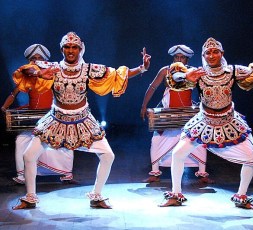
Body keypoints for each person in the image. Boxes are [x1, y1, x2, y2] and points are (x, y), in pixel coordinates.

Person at [12, 32, 151, 210]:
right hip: (56, 120)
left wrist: (142, 68)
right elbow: (25, 70)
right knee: (28, 155)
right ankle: (30, 196)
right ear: (62, 49)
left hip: (83, 120)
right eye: (67, 47)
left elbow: (116, 75)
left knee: (108, 155)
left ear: (80, 49)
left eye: (74, 47)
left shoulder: (89, 70)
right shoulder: (52, 68)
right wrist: (39, 72)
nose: (70, 51)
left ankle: (97, 195)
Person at [159, 38, 253, 209]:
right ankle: (176, 194)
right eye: (208, 52)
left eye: (215, 51)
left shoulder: (232, 71)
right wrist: (186, 75)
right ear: (203, 55)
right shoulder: (198, 73)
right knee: (178, 154)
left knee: (250, 158)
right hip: (204, 122)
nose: (212, 55)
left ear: (222, 53)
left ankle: (241, 196)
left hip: (229, 123)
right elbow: (174, 76)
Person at [1, 44, 75, 185]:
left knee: (64, 142)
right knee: (21, 140)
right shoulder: (27, 75)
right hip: (33, 118)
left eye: (39, 58)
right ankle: (23, 175)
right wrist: (4, 107)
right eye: (33, 58)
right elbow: (14, 92)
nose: (36, 60)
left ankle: (66, 174)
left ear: (45, 60)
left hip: (51, 116)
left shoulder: (54, 75)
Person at [141, 45, 213, 184]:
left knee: (198, 143)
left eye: (182, 57)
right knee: (156, 141)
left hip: (187, 115)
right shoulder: (165, 71)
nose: (179, 59)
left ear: (187, 59)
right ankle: (155, 173)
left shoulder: (193, 72)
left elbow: (204, 90)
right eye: (176, 57)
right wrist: (144, 105)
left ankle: (203, 174)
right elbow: (153, 86)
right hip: (168, 113)